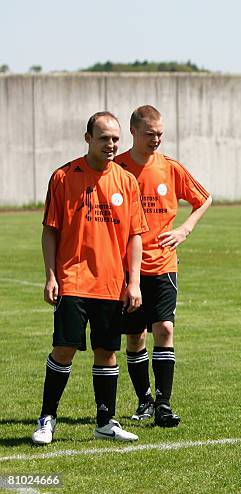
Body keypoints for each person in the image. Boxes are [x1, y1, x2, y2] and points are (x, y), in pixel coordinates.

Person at [32, 112, 148, 445]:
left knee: (107, 352)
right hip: (72, 279)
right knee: (64, 348)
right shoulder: (63, 177)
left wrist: (134, 281)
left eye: (115, 139)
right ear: (88, 139)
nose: (111, 145)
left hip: (111, 284)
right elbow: (50, 231)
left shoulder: (127, 181)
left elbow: (134, 236)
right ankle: (47, 418)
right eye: (103, 138)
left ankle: (105, 421)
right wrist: (51, 275)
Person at [115, 105, 211, 427]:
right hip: (128, 269)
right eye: (149, 134)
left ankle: (164, 404)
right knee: (135, 337)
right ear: (133, 132)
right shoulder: (117, 169)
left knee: (165, 329)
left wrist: (185, 229)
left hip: (164, 263)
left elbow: (204, 199)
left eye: (160, 134)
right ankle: (144, 399)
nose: (156, 139)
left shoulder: (170, 168)